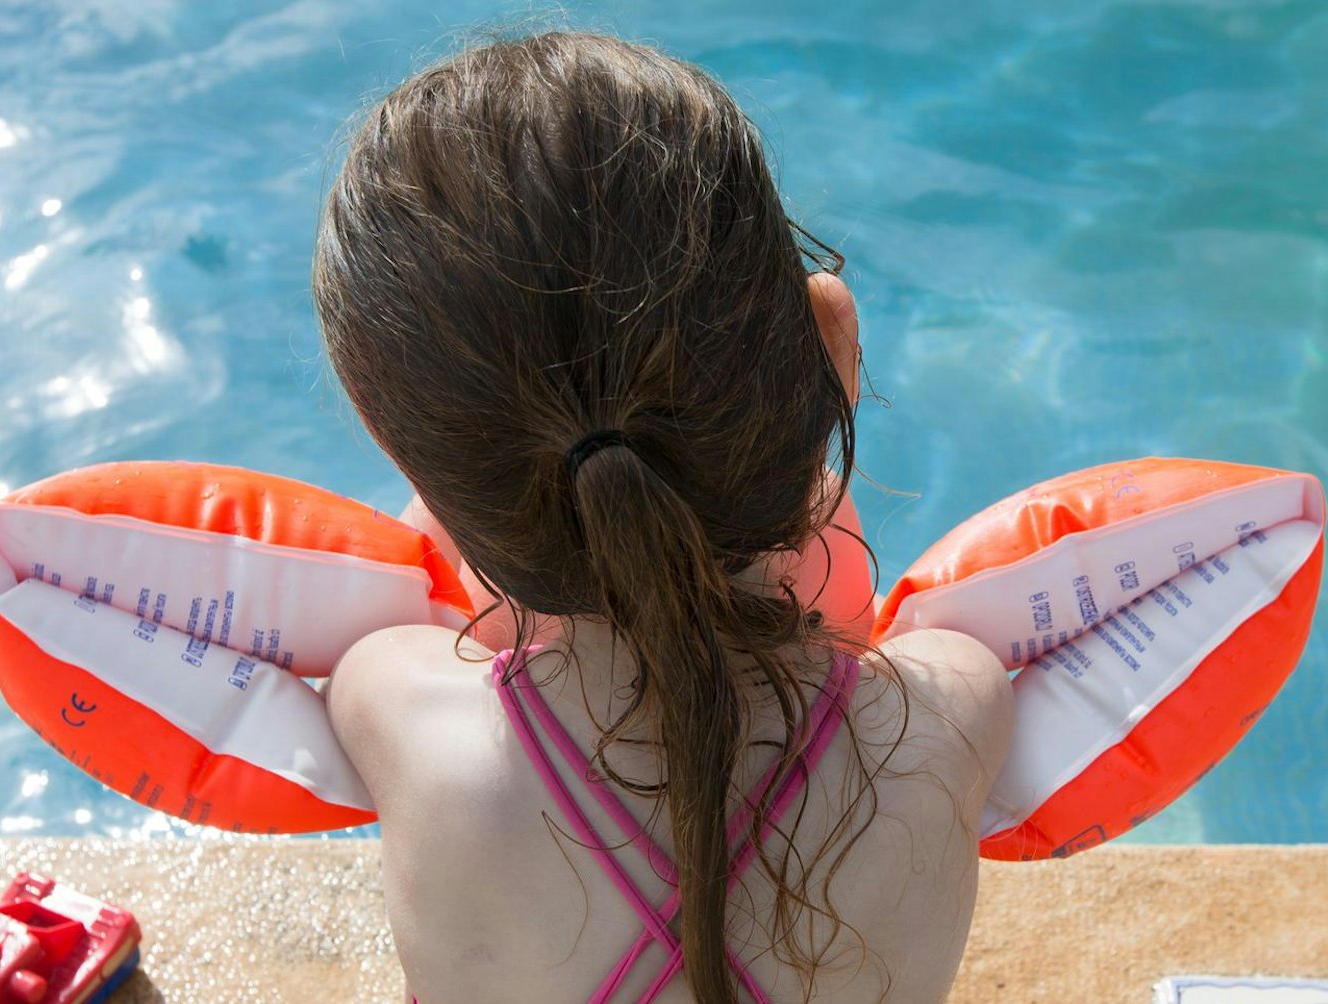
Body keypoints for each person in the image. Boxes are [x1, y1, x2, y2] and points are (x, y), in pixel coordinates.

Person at [314, 31, 1014, 1004]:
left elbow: (418, 598)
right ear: (833, 344)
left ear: (405, 454)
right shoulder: (952, 715)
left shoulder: (399, 711)